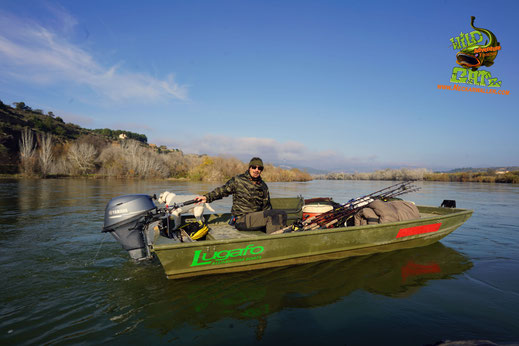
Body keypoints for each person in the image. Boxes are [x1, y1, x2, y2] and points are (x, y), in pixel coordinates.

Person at [195, 157, 287, 234]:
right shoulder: (238, 180)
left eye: (259, 168)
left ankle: (275, 237)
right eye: (254, 167)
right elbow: (222, 190)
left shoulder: (263, 186)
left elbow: (266, 207)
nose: (256, 170)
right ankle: (273, 242)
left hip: (256, 219)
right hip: (241, 220)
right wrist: (207, 197)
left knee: (280, 214)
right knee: (275, 215)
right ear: (249, 167)